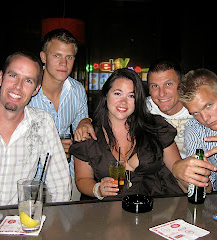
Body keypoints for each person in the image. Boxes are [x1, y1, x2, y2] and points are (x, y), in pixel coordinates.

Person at [75, 59, 217, 189]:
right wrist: (85, 120)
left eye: (168, 85)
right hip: (198, 189)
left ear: (180, 87)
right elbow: (117, 109)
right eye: (154, 86)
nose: (161, 94)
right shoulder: (147, 109)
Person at [0, 52, 72, 210]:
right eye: (13, 76)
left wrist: (58, 222)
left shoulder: (42, 122)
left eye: (28, 80)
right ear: (1, 77)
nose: (18, 86)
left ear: (36, 89)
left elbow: (60, 184)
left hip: (18, 226)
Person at [69, 68, 185, 200]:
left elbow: (178, 170)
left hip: (156, 208)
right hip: (109, 212)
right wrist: (98, 189)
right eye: (117, 94)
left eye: (131, 96)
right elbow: (82, 179)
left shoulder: (155, 127)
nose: (123, 102)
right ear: (106, 94)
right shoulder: (88, 135)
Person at [28, 28, 88, 200]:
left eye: (69, 57)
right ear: (43, 57)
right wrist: (50, 147)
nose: (64, 63)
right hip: (31, 180)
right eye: (57, 56)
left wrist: (85, 121)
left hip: (67, 176)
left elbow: (81, 136)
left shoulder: (77, 90)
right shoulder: (28, 91)